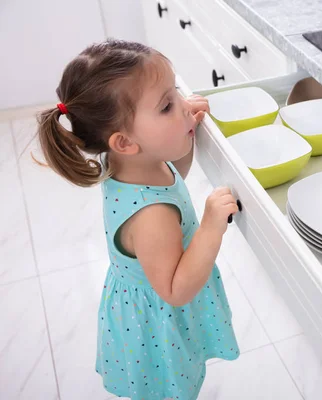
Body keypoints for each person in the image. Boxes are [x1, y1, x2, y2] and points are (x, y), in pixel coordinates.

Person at [36, 39, 240, 400]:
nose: (181, 105)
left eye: (175, 92)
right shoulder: (151, 216)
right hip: (159, 325)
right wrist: (210, 227)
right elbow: (176, 290)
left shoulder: (135, 163)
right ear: (125, 142)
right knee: (170, 389)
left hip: (149, 302)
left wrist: (182, 126)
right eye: (166, 106)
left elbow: (174, 174)